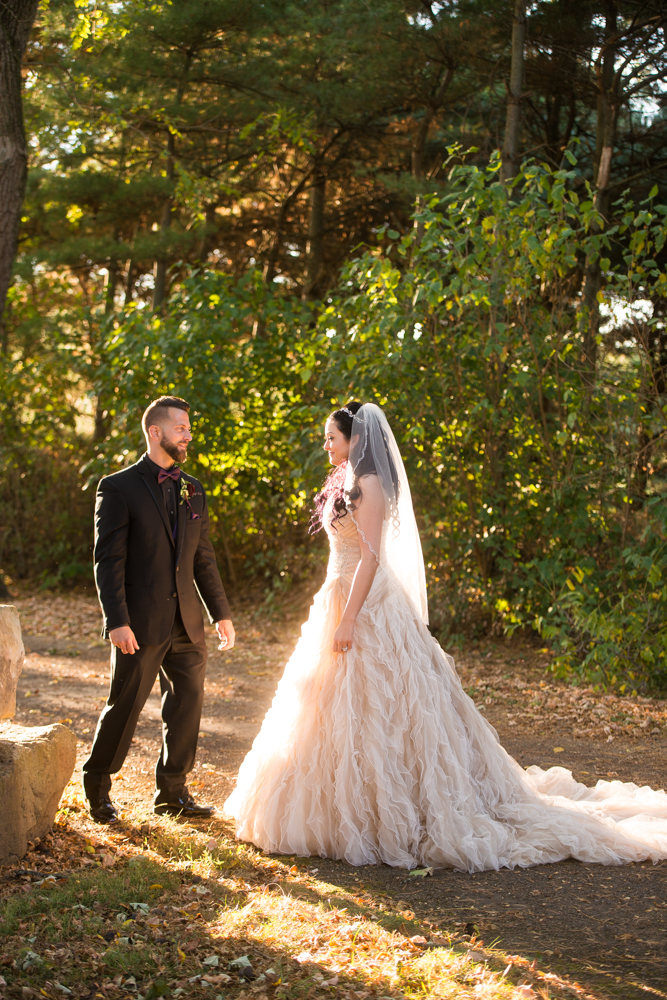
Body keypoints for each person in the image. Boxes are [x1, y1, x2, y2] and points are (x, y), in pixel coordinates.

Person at [224, 401, 667, 870]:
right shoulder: (347, 482)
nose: (326, 444)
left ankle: (395, 809)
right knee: (325, 706)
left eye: (331, 436)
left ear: (356, 439)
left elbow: (371, 559)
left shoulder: (371, 485)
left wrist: (349, 618)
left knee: (386, 708)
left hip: (366, 602)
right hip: (339, 593)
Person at [83, 395, 235, 824]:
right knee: (125, 705)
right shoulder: (118, 487)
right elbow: (106, 559)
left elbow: (202, 556)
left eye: (188, 428)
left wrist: (219, 612)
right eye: (181, 428)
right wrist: (117, 620)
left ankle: (172, 794)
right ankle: (97, 787)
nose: (188, 435)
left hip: (188, 622)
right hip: (140, 623)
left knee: (186, 707)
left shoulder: (194, 488)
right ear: (156, 432)